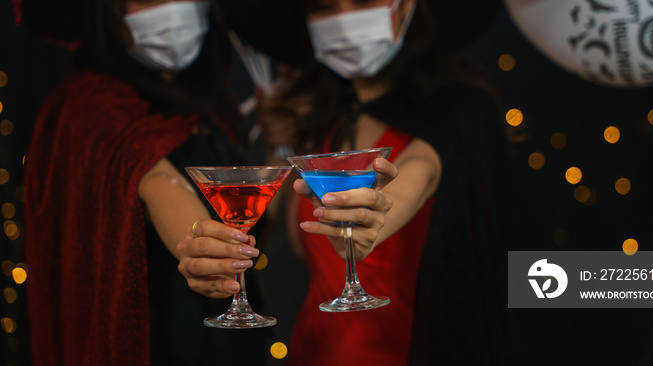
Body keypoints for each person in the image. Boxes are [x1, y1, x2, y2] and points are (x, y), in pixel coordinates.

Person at [21, 0, 279, 364]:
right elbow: (154, 178)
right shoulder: (88, 103)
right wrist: (195, 241)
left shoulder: (208, 106)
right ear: (108, 11)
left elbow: (247, 220)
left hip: (227, 329)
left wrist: (278, 148)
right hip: (156, 332)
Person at [258, 0, 515, 364]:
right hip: (315, 347)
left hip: (405, 350)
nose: (346, 18)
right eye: (325, 6)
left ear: (409, 6)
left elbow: (420, 169)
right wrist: (279, 146)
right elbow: (305, 248)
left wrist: (375, 218)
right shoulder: (323, 127)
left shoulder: (458, 112)